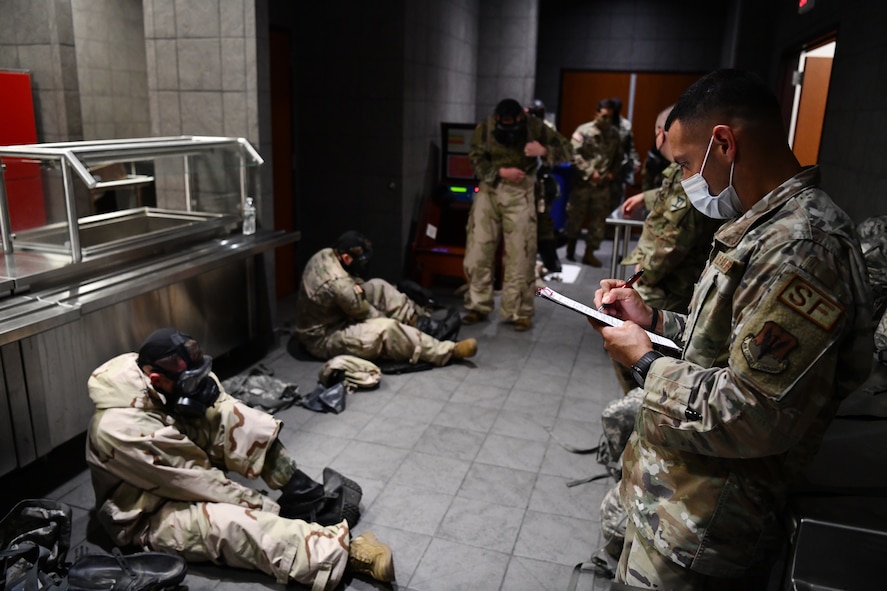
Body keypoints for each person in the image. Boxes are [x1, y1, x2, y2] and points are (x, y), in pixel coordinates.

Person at [591, 69, 874, 589]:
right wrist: (651, 321)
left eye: (683, 164)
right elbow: (719, 345)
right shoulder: (765, 229)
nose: (684, 180)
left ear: (722, 143)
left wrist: (645, 361)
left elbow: (754, 411)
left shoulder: (801, 248)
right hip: (675, 498)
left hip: (705, 526)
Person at [86, 328, 396, 589]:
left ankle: (308, 497)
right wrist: (272, 513)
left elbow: (216, 409)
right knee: (232, 523)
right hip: (148, 514)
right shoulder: (121, 428)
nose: (195, 386)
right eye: (188, 382)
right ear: (155, 379)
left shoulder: (149, 378)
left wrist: (213, 403)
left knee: (228, 413)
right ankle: (341, 552)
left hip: (176, 465)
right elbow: (201, 483)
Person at [612, 104, 724, 393]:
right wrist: (643, 197)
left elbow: (675, 238)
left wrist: (644, 273)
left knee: (640, 358)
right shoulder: (679, 170)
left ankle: (634, 413)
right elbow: (668, 197)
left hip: (667, 285)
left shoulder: (692, 174)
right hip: (663, 280)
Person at [295, 230, 477, 363]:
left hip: (336, 312)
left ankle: (422, 323)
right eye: (362, 261)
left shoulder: (328, 254)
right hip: (323, 338)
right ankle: (445, 351)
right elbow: (366, 314)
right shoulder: (340, 284)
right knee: (387, 328)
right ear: (347, 258)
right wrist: (395, 327)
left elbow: (353, 292)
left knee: (378, 286)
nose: (364, 265)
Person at [462, 98, 566, 331]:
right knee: (478, 252)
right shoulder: (486, 127)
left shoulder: (537, 127)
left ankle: (518, 311)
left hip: (521, 192)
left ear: (521, 118)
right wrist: (499, 172)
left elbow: (568, 151)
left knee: (521, 254)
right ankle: (477, 306)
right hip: (490, 189)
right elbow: (475, 157)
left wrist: (544, 151)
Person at [566, 99, 623, 267]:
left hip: (602, 186)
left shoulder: (614, 134)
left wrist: (613, 172)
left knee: (598, 221)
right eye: (603, 116)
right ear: (596, 113)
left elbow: (619, 157)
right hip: (583, 184)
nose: (606, 120)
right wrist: (590, 172)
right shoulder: (583, 131)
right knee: (575, 217)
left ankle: (589, 253)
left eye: (610, 117)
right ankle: (570, 248)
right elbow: (573, 154)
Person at [526, 99, 573, 274]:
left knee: (543, 222)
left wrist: (544, 151)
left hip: (540, 181)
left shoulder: (546, 129)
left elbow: (563, 152)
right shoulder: (520, 128)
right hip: (520, 183)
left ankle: (549, 261)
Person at [610, 97, 642, 208]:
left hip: (617, 168)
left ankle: (611, 225)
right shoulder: (603, 122)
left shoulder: (625, 125)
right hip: (601, 168)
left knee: (615, 200)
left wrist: (635, 161)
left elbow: (630, 147)